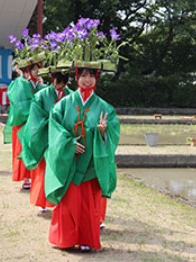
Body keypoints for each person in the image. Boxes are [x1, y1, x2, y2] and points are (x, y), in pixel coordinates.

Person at [45, 68, 120, 251]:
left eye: (91, 76)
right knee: (68, 201)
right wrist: (69, 143)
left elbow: (113, 133)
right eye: (84, 76)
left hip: (91, 164)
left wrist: (103, 133)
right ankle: (66, 239)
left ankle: (87, 239)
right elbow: (54, 128)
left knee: (88, 203)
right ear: (77, 77)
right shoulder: (64, 104)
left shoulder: (105, 107)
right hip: (69, 163)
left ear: (96, 79)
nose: (87, 80)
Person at [21, 70, 73, 211]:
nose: (60, 87)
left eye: (63, 84)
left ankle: (60, 199)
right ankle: (43, 201)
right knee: (44, 169)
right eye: (58, 83)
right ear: (52, 79)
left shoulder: (71, 96)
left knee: (61, 168)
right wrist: (52, 123)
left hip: (62, 138)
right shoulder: (41, 96)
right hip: (46, 136)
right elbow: (35, 118)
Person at [6, 63, 45, 189]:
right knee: (23, 150)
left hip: (35, 123)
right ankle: (26, 178)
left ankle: (34, 177)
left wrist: (43, 86)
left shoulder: (40, 85)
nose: (36, 71)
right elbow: (19, 103)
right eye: (34, 69)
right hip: (23, 122)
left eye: (38, 69)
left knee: (36, 149)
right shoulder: (20, 83)